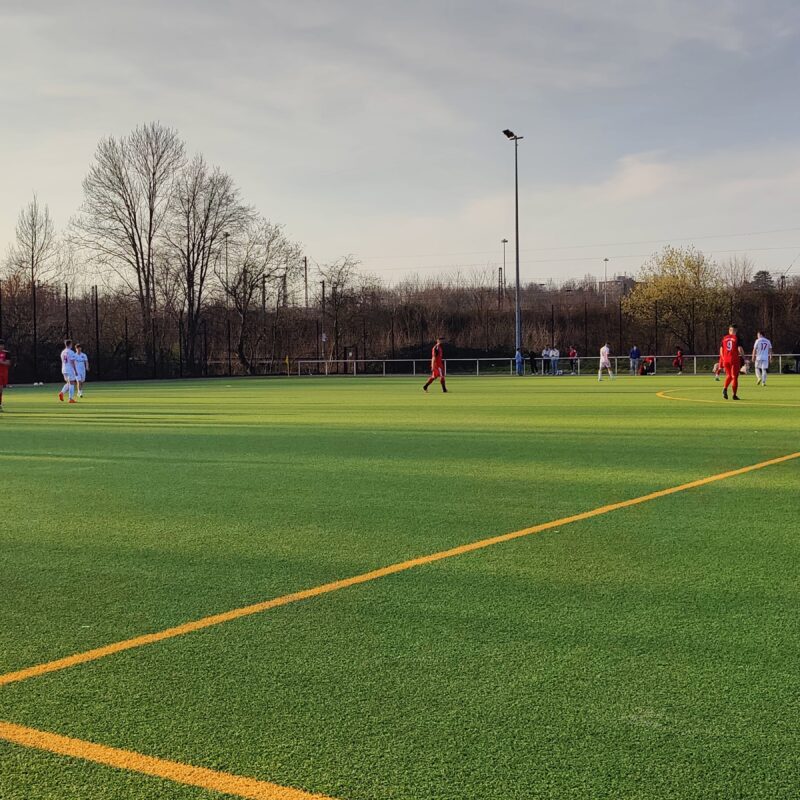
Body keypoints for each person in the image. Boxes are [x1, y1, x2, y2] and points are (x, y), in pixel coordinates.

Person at [720, 325, 745, 400]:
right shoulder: (737, 338)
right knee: (735, 377)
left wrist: (723, 358)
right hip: (734, 359)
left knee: (729, 376)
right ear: (736, 331)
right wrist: (744, 357)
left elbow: (721, 349)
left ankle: (725, 388)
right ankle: (734, 395)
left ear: (729, 330)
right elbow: (740, 349)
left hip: (726, 360)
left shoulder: (724, 338)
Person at [59, 338, 79, 404]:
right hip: (69, 369)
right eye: (71, 344)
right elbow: (72, 362)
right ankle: (71, 399)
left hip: (64, 369)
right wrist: (75, 371)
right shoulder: (71, 352)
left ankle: (62, 393)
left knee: (69, 383)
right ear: (70, 344)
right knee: (72, 383)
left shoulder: (62, 352)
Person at [0, 340, 10, 412]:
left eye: (2, 345)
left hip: (3, 373)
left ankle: (0, 404)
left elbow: (8, 363)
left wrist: (1, 362)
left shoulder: (6, 353)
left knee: (1, 390)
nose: (1, 346)